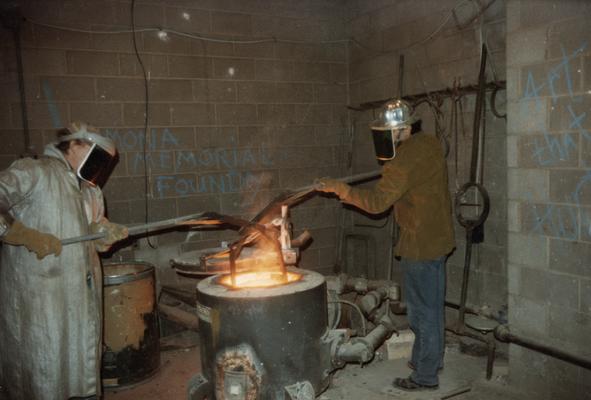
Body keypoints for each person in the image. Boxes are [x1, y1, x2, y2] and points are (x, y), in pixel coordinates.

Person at [316, 99, 455, 391]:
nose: (383, 137)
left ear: (402, 129)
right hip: (438, 239)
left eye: (387, 132)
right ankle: (429, 360)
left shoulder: (402, 161)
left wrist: (340, 189)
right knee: (433, 308)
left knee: (422, 313)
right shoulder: (428, 144)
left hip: (421, 245)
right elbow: (409, 183)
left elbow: (377, 203)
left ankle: (425, 377)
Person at [0, 122, 128, 400]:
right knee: (44, 370)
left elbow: (93, 230)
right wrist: (19, 233)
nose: (100, 167)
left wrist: (103, 233)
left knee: (79, 370)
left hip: (80, 298)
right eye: (97, 157)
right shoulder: (34, 172)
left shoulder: (91, 191)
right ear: (75, 145)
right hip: (41, 299)